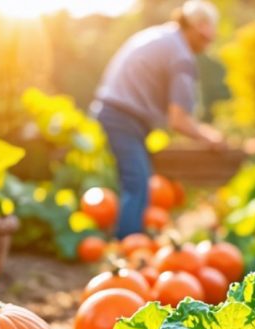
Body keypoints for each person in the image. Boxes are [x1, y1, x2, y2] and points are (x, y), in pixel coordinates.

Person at [91, 0, 226, 237]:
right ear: (199, 26)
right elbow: (179, 120)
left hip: (115, 112)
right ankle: (129, 249)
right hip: (122, 117)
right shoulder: (180, 56)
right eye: (211, 28)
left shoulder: (163, 37)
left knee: (136, 180)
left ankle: (128, 240)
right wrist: (211, 138)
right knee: (138, 184)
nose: (212, 37)